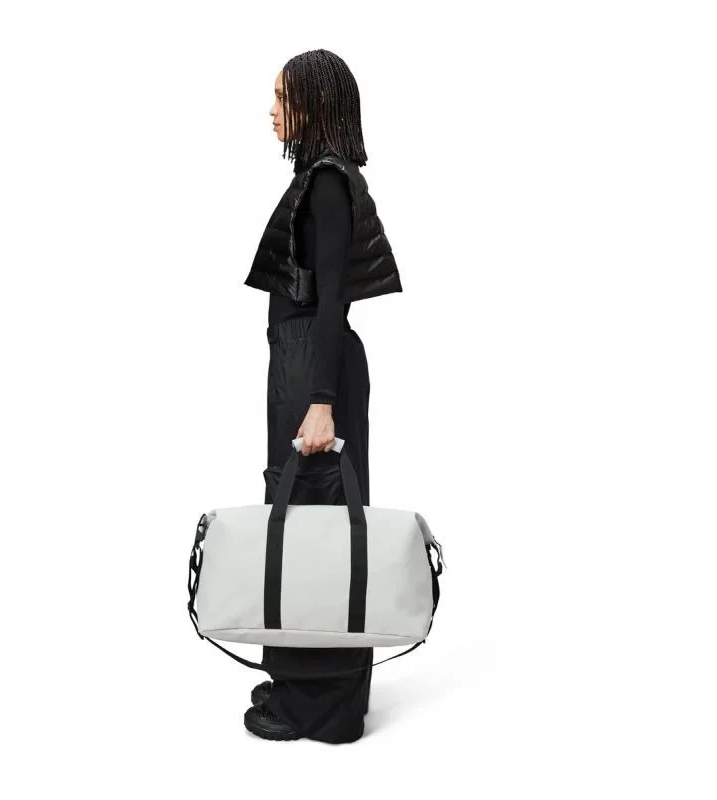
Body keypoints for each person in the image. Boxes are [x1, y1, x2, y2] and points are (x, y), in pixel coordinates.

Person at [241, 49, 402, 744]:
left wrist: (322, 400)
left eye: (282, 97)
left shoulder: (330, 182)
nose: (272, 110)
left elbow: (334, 297)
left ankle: (323, 706)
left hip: (317, 366)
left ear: (312, 105)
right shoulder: (317, 177)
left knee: (319, 529)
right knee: (299, 513)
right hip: (303, 361)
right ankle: (298, 678)